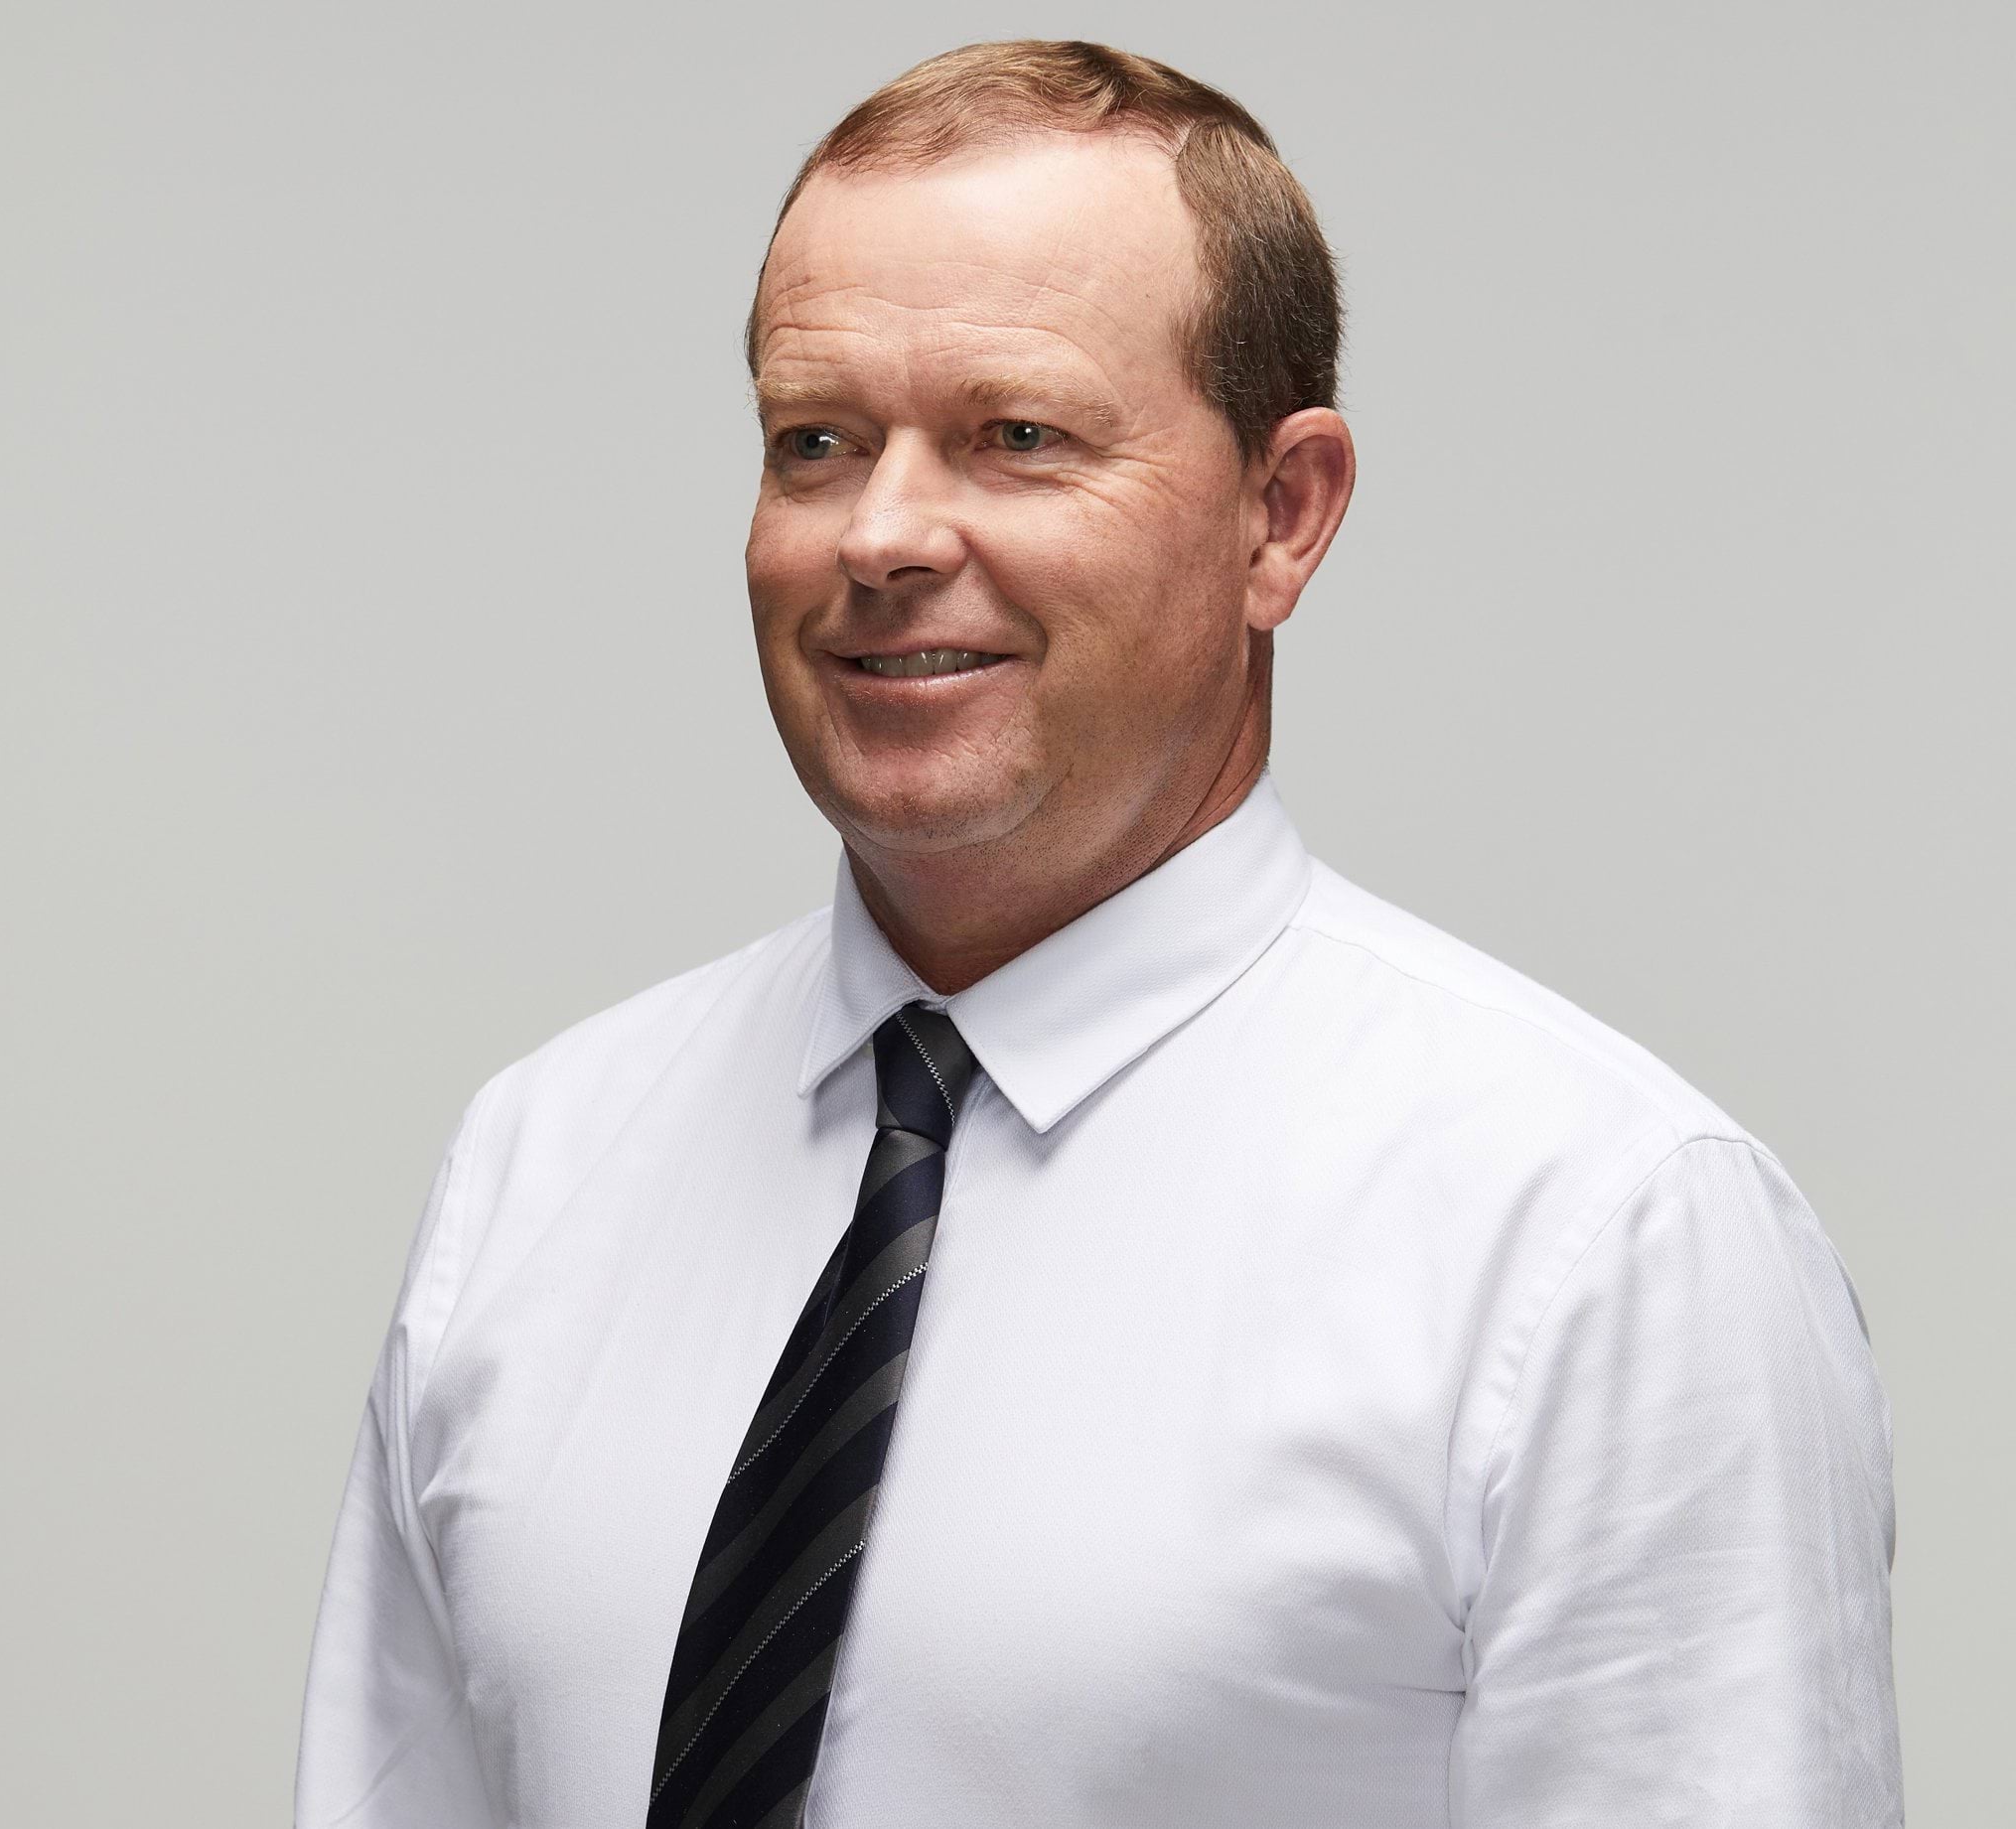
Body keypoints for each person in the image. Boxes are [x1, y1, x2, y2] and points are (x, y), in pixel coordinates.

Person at [294, 38, 1903, 1829]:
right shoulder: (540, 1169)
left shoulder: (1599, 1240)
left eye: (1019, 437)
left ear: (1280, 517)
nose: (887, 533)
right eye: (815, 441)